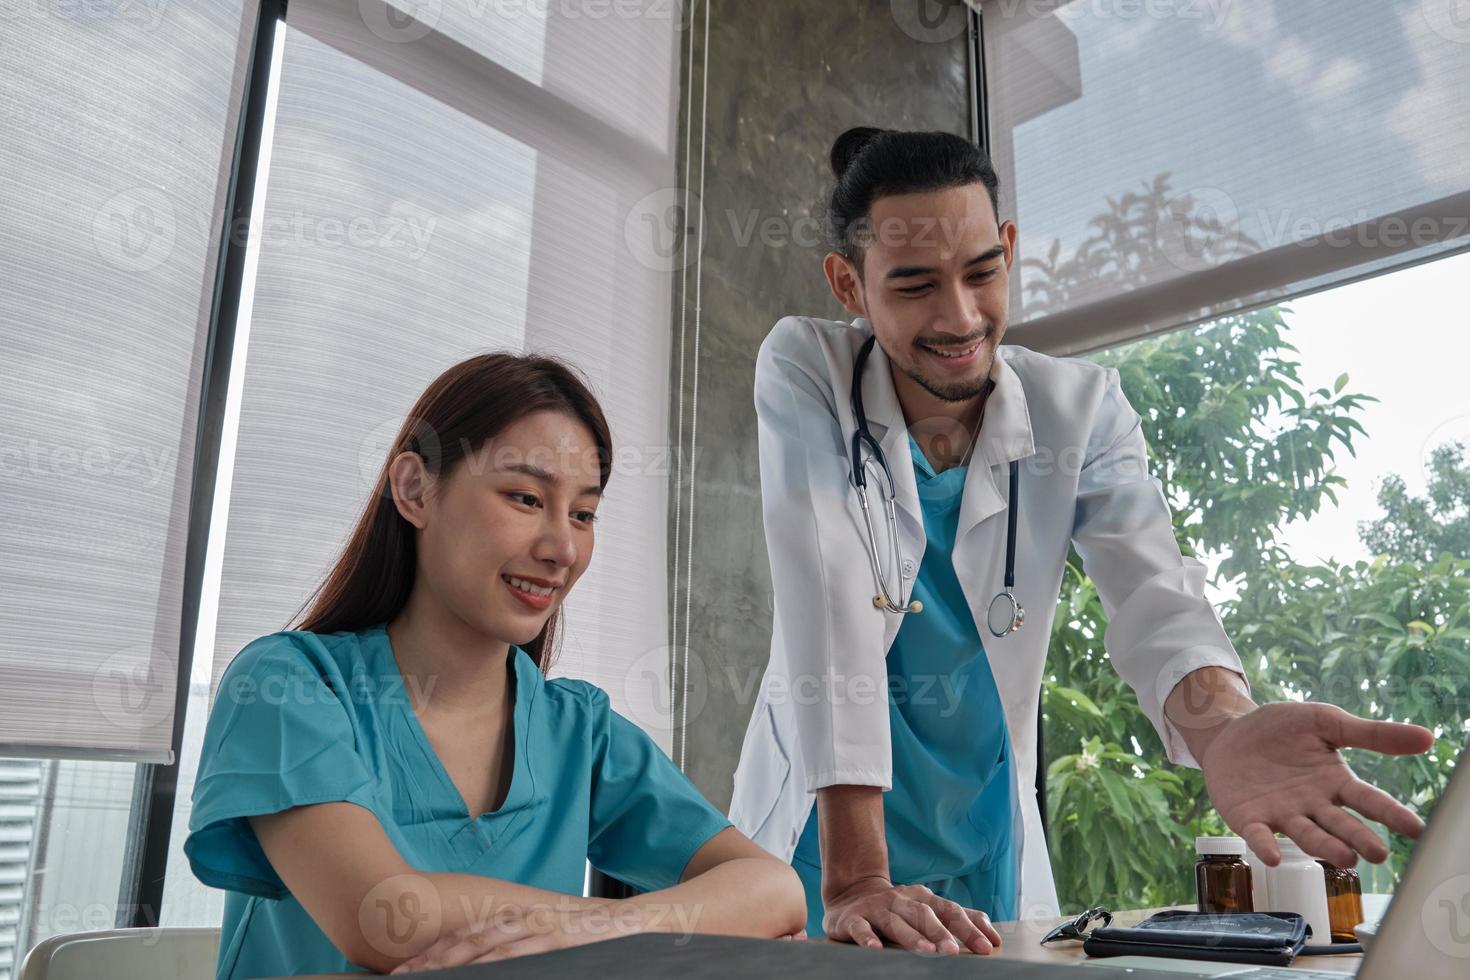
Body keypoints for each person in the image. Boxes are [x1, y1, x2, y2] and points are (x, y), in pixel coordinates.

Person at [728, 127, 1433, 953]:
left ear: (1010, 248)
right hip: (830, 841)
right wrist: (857, 878)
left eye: (982, 271)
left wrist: (1225, 725)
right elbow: (830, 585)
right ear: (849, 283)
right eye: (915, 285)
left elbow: (1153, 591)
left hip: (984, 840)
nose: (959, 317)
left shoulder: (1081, 407)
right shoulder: (806, 367)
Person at [185, 353, 805, 978]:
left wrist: (615, 926)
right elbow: (386, 917)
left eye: (584, 514)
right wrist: (652, 931)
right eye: (526, 497)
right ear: (415, 489)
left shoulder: (577, 731)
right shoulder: (287, 687)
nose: (562, 547)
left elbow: (773, 890)